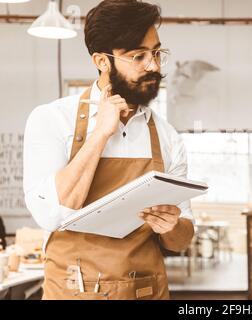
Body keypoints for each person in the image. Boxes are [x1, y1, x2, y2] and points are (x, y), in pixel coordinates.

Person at [23, 0, 194, 300]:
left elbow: (180, 241)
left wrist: (171, 226)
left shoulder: (168, 137)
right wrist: (100, 134)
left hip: (146, 292)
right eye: (137, 56)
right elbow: (51, 215)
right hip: (73, 292)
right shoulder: (51, 119)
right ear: (102, 61)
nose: (153, 66)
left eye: (155, 53)